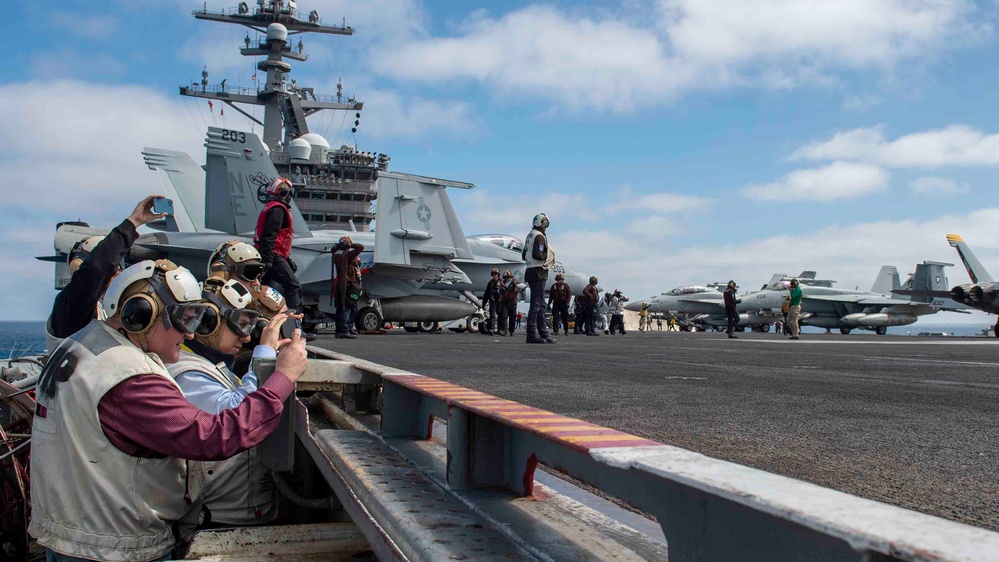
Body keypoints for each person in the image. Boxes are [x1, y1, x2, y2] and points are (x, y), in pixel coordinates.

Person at [30, 260, 308, 562]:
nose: (190, 335)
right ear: (141, 314)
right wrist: (283, 376)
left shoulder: (80, 345)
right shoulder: (128, 376)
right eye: (183, 320)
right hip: (112, 547)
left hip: (73, 537)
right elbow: (216, 436)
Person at [168, 277, 287, 529]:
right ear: (209, 324)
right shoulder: (187, 372)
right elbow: (238, 414)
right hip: (220, 517)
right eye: (240, 326)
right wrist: (265, 355)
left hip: (236, 510)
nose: (245, 338)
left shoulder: (212, 366)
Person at [46, 194, 168, 351]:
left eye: (120, 269)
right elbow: (96, 271)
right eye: (114, 269)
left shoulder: (109, 311)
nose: (119, 275)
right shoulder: (71, 308)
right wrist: (134, 222)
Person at [254, 177, 302, 314]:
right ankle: (293, 324)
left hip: (267, 253)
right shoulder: (278, 210)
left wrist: (286, 259)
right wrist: (269, 259)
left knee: (266, 291)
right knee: (294, 286)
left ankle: (264, 321)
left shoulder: (271, 208)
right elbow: (270, 235)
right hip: (271, 254)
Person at [522, 213, 556, 344]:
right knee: (536, 305)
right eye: (545, 224)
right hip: (538, 272)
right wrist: (547, 258)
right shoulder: (539, 236)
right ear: (540, 224)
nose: (546, 227)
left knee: (540, 304)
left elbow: (524, 255)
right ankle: (531, 334)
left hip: (530, 271)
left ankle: (544, 333)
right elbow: (538, 254)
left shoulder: (529, 235)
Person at [332, 236, 364, 338]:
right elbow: (360, 247)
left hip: (341, 286)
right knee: (349, 308)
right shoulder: (347, 256)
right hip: (348, 286)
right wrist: (351, 245)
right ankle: (345, 330)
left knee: (342, 309)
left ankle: (343, 329)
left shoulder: (337, 255)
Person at [498, 270, 519, 337]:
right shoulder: (502, 283)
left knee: (512, 318)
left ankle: (511, 331)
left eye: (508, 277)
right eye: (505, 277)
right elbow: (500, 292)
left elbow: (520, 288)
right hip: (505, 302)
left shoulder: (515, 283)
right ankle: (504, 330)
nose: (507, 278)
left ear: (510, 277)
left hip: (512, 302)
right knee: (504, 316)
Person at [483, 267, 502, 335]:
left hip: (500, 301)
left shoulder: (502, 282)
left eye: (496, 273)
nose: (494, 275)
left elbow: (506, 292)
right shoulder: (490, 283)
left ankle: (500, 329)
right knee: (492, 315)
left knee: (500, 316)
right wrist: (483, 304)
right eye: (493, 274)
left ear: (498, 274)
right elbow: (486, 293)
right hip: (492, 301)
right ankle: (492, 329)